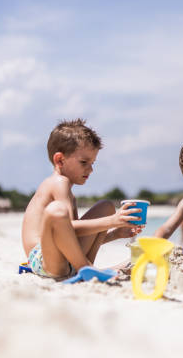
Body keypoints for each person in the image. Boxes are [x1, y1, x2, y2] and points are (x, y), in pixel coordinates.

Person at [21, 119, 143, 279]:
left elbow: (70, 238)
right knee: (55, 211)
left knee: (105, 206)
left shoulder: (68, 191)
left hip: (65, 261)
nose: (90, 169)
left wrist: (115, 234)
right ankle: (86, 267)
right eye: (84, 162)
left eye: (92, 163)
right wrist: (113, 221)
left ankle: (86, 268)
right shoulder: (59, 182)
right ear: (60, 160)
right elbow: (70, 228)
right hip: (44, 259)